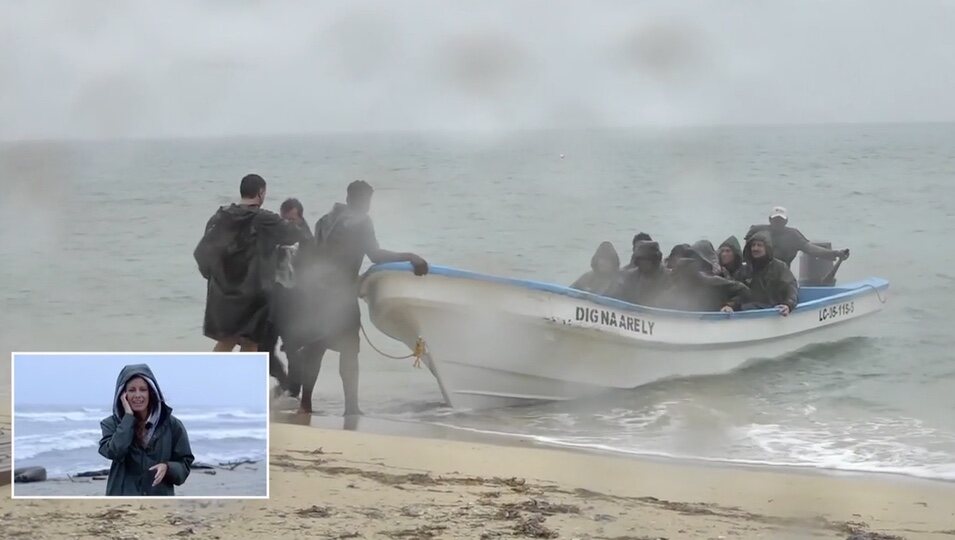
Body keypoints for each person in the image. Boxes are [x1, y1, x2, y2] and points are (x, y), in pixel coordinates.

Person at [296, 180, 429, 416]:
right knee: (349, 351)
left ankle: (305, 405)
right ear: (359, 200)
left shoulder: (324, 221)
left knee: (315, 349)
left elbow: (312, 256)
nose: (368, 206)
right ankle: (351, 408)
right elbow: (375, 255)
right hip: (341, 295)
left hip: (316, 295)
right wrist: (410, 256)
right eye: (366, 200)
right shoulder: (361, 221)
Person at [194, 174, 302, 353]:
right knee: (250, 344)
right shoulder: (265, 219)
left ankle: (211, 377)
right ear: (260, 193)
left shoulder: (220, 217)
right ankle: (243, 380)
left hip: (223, 296)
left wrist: (215, 278)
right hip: (254, 297)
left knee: (226, 342)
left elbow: (202, 253)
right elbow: (294, 234)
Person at [98, 364, 193, 496]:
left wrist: (168, 467)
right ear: (122, 394)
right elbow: (114, 452)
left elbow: (185, 464)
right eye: (131, 390)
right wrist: (128, 418)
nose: (137, 395)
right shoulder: (111, 424)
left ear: (151, 392)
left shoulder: (172, 425)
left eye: (143, 389)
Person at [264, 197, 314, 398]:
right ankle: (283, 382)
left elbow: (314, 272)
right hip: (274, 299)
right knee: (263, 349)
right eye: (285, 220)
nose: (288, 225)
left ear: (300, 218)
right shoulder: (278, 237)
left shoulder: (308, 240)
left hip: (296, 301)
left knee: (293, 348)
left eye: (292, 220)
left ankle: (293, 392)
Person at [744, 206, 850, 268]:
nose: (778, 222)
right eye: (775, 220)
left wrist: (835, 253)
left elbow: (811, 249)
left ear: (786, 221)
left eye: (781, 220)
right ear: (770, 220)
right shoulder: (757, 232)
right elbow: (744, 255)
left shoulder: (793, 235)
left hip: (781, 277)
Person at [665, 244, 750, 312]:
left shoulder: (711, 281)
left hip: (714, 320)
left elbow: (744, 291)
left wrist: (729, 305)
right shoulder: (675, 286)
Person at [735, 231, 799, 316]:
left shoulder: (780, 267)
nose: (755, 248)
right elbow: (736, 291)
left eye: (759, 245)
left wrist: (788, 305)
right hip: (748, 311)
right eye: (753, 245)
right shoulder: (744, 269)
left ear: (767, 248)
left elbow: (791, 287)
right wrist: (729, 305)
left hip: (773, 309)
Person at [615, 241, 670, 307]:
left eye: (647, 260)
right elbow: (621, 298)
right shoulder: (630, 276)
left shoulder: (669, 277)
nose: (643, 263)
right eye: (641, 260)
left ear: (655, 260)